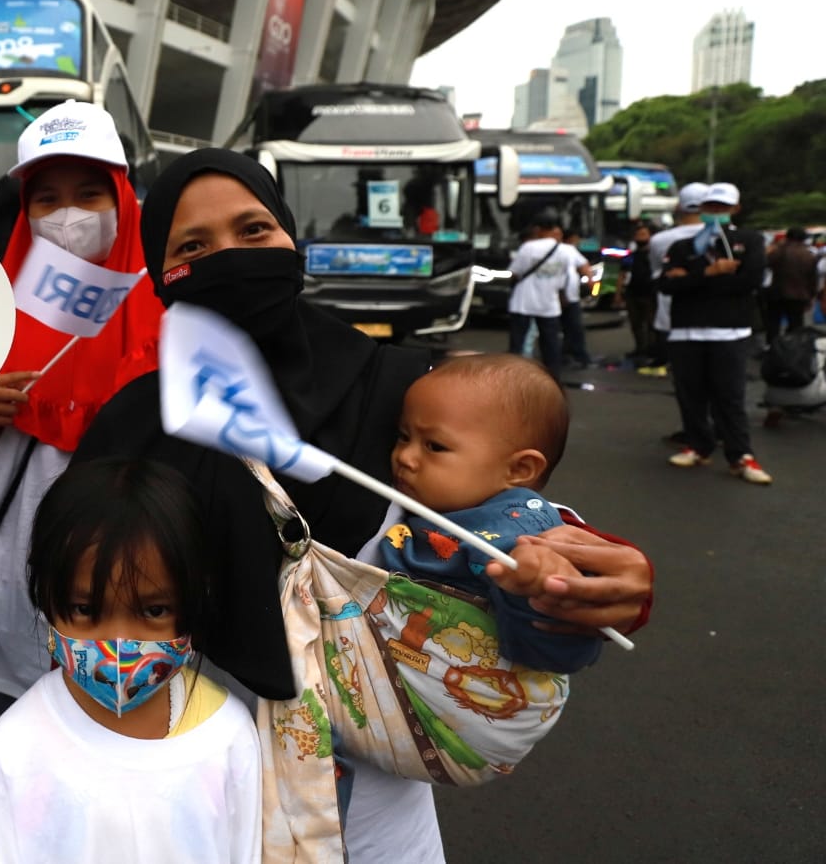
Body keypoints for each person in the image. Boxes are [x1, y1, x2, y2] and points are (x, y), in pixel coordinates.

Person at [72, 149, 654, 862]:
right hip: (183, 793)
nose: (230, 256)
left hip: (374, 809)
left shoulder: (409, 396)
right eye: (192, 246)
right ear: (160, 275)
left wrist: (585, 587)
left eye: (254, 230)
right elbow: (86, 610)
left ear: (291, 239)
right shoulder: (129, 426)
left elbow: (510, 554)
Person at [0, 458, 261, 864]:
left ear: (194, 601)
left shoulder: (227, 737)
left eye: (152, 611)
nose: (118, 643)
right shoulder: (17, 745)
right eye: (85, 609)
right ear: (46, 597)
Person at [0, 100, 164, 728]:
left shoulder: (168, 301)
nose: (68, 215)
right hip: (13, 593)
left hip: (140, 589)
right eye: (46, 198)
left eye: (90, 193)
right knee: (19, 750)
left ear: (124, 198)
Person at [385, 354, 601, 672]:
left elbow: (565, 651)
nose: (404, 456)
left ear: (519, 469)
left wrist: (538, 595)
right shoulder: (439, 504)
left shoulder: (512, 536)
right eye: (404, 437)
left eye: (434, 446)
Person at [660, 182, 773, 484]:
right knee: (690, 394)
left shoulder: (749, 240)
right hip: (686, 332)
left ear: (735, 209)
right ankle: (698, 445)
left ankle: (740, 455)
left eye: (722, 208)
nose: (715, 212)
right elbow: (667, 285)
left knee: (730, 397)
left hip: (730, 331)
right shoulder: (683, 246)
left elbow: (750, 280)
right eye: (710, 207)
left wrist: (693, 280)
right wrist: (711, 273)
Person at [639, 182, 710, 378]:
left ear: (679, 207)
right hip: (717, 313)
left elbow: (657, 273)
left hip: (671, 309)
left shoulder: (660, 240)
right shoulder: (725, 234)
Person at [506, 215, 575, 373]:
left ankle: (512, 373)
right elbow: (566, 277)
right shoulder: (566, 251)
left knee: (518, 342)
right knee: (550, 344)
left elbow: (515, 272)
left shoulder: (528, 247)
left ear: (538, 230)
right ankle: (552, 376)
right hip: (549, 303)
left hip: (523, 302)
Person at [765, 226, 819, 343]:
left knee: (773, 323)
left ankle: (771, 347)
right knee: (796, 324)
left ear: (787, 237)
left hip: (776, 293)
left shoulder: (778, 252)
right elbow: (813, 279)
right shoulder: (808, 255)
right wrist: (811, 297)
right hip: (799, 295)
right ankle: (793, 349)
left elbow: (765, 264)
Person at [620, 222, 659, 363]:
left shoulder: (654, 254)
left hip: (650, 294)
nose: (640, 237)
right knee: (636, 324)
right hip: (633, 294)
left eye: (643, 234)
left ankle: (652, 350)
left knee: (651, 324)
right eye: (638, 235)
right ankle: (640, 349)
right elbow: (622, 274)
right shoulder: (631, 256)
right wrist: (618, 294)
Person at [558, 228, 594, 367]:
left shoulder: (567, 250)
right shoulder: (568, 249)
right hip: (564, 296)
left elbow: (583, 266)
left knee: (565, 328)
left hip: (565, 296)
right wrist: (590, 282)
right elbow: (584, 267)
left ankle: (565, 354)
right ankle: (579, 356)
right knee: (574, 327)